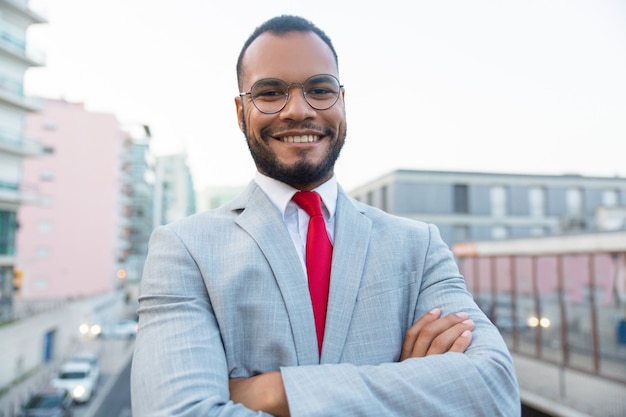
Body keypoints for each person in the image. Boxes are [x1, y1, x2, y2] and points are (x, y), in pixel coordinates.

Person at [131, 15, 520, 416]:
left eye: (319, 89)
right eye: (269, 92)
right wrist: (405, 387)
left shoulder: (418, 248)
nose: (298, 110)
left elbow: (493, 393)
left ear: (342, 102)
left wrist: (272, 392)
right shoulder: (184, 250)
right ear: (240, 110)